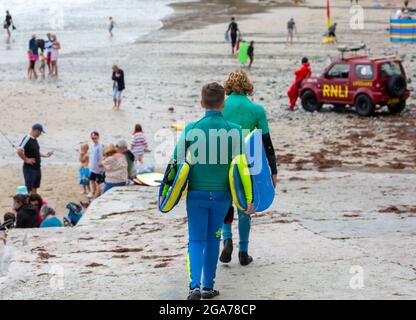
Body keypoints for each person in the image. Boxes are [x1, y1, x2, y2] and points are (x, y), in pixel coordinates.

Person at [172, 82, 253, 300]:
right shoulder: (236, 131)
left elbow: (176, 161)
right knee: (213, 239)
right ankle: (208, 287)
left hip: (196, 195)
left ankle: (194, 287)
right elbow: (243, 168)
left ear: (201, 103)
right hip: (222, 197)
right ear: (223, 104)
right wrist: (248, 199)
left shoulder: (191, 129)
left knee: (196, 240)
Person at [220, 70, 278, 267]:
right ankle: (243, 253)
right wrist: (273, 170)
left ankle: (227, 240)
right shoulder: (257, 110)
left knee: (225, 204)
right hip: (246, 164)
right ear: (247, 86)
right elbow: (266, 143)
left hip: (222, 163)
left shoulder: (220, 106)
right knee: (245, 206)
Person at [16, 124, 53, 195]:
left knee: (35, 188)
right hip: (29, 169)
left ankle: (34, 205)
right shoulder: (27, 138)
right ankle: (28, 204)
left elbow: (35, 151)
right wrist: (26, 159)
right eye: (40, 132)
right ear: (35, 130)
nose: (40, 134)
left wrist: (44, 155)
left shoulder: (34, 139)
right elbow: (19, 150)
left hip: (37, 168)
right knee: (29, 189)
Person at [89, 132, 104, 199]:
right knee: (92, 180)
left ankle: (98, 194)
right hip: (92, 167)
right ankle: (93, 192)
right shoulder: (92, 145)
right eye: (92, 138)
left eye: (95, 138)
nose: (93, 139)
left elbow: (101, 157)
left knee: (98, 182)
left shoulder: (100, 146)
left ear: (98, 137)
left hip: (98, 168)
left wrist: (100, 168)